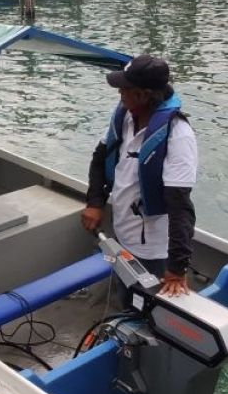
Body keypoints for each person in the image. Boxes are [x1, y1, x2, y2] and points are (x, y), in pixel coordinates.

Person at [81, 55, 197, 297]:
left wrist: (176, 268)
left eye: (125, 88)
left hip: (152, 248)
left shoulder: (178, 135)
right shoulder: (124, 117)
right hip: (121, 231)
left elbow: (180, 206)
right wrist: (95, 202)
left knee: (144, 305)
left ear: (143, 95)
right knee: (126, 295)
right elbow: (100, 159)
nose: (119, 93)